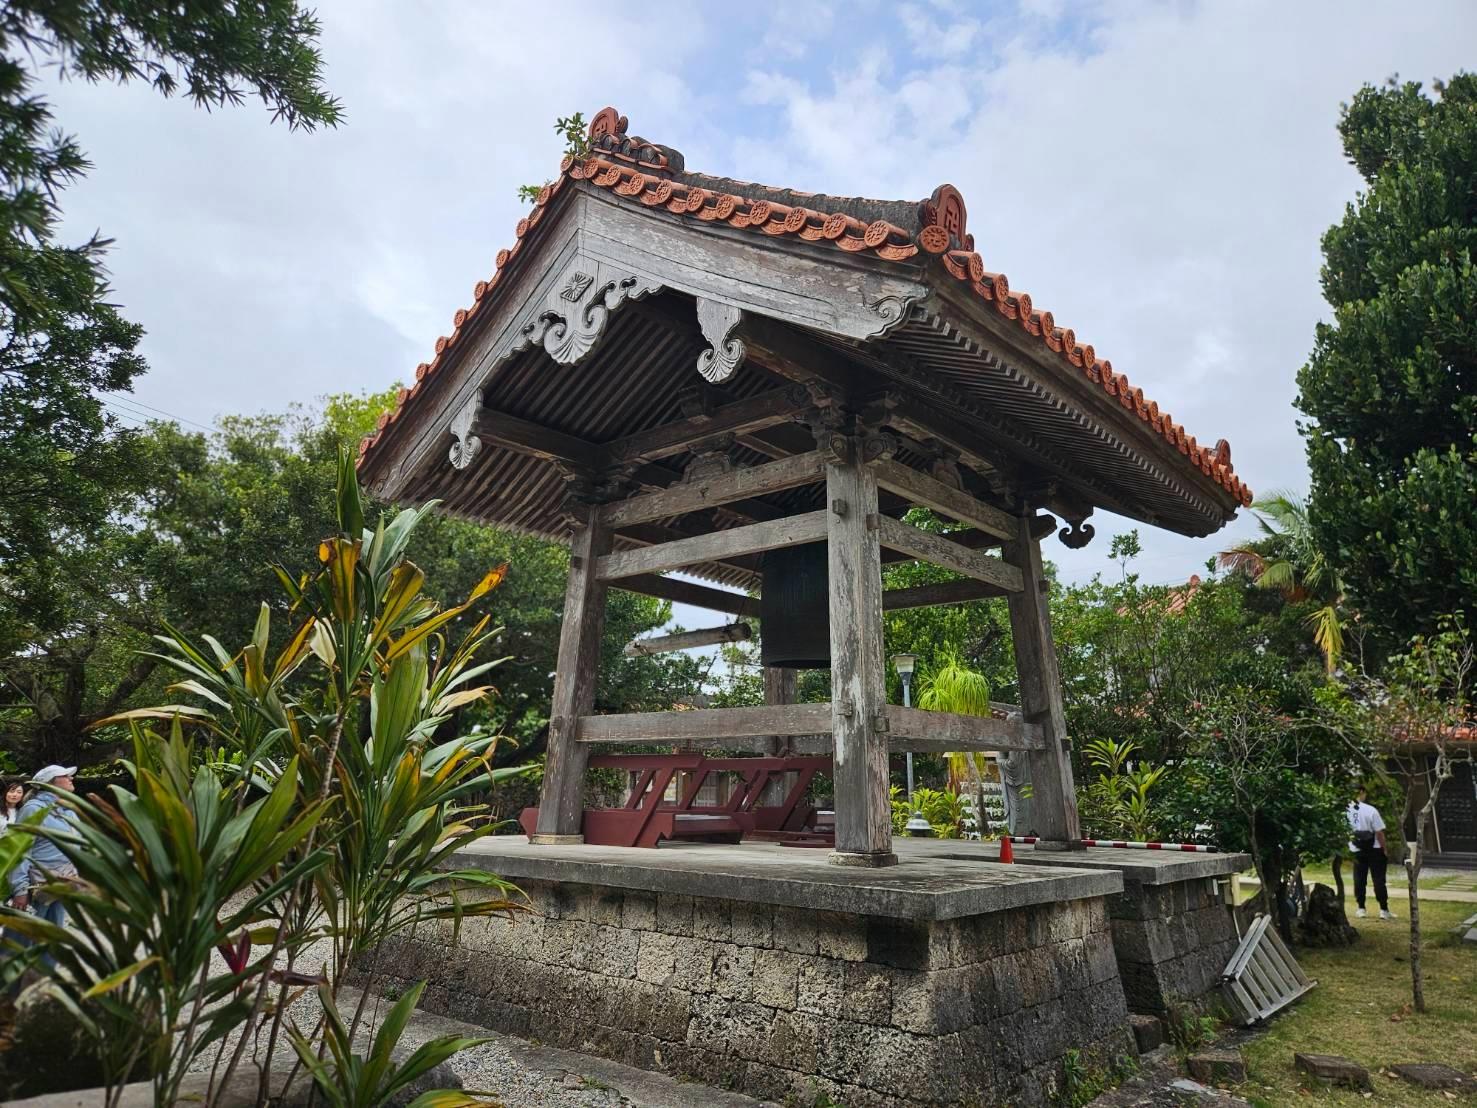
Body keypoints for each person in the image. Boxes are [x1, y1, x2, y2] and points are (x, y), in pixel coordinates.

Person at [7, 766, 82, 933]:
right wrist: (20, 889)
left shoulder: (68, 809)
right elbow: (19, 850)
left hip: (63, 883)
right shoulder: (33, 809)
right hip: (37, 887)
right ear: (50, 782)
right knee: (26, 938)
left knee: (54, 936)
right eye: (65, 775)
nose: (71, 778)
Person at [1347, 786, 1396, 921]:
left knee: (1359, 879)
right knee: (1379, 880)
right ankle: (1383, 909)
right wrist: (1384, 848)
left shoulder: (1346, 810)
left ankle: (1361, 908)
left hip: (1356, 849)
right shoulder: (1370, 810)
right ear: (1362, 793)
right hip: (1374, 848)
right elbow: (1379, 832)